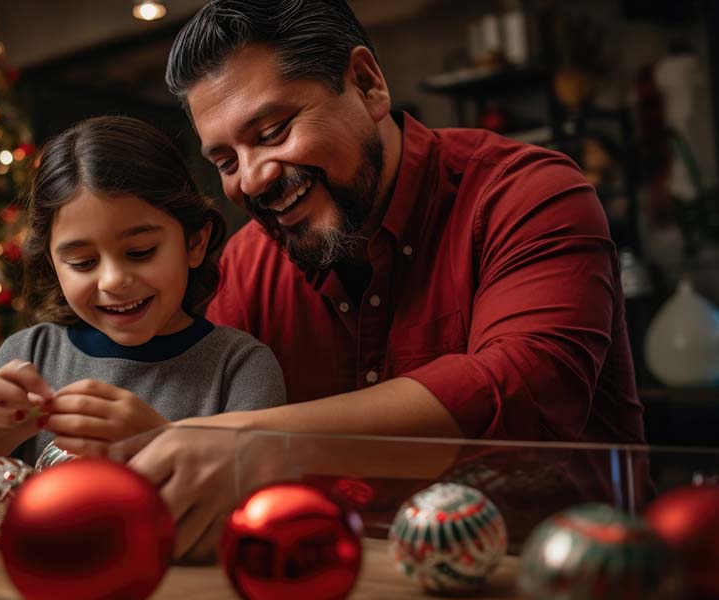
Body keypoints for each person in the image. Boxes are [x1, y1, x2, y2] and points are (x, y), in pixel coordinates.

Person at [121, 0, 648, 560]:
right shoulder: (248, 264)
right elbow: (199, 423)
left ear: (368, 84)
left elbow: (526, 389)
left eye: (273, 132)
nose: (253, 180)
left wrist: (258, 444)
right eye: (226, 162)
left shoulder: (529, 194)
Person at [0, 116, 286, 492]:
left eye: (140, 252)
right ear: (53, 265)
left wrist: (163, 445)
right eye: (83, 263)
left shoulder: (240, 369)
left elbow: (256, 507)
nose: (114, 281)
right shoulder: (29, 356)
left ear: (195, 243)